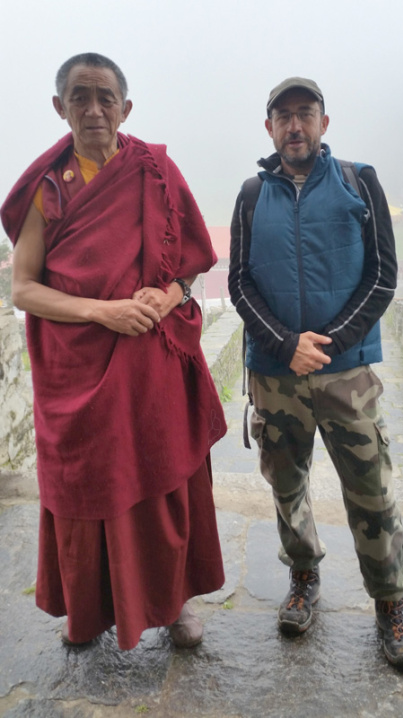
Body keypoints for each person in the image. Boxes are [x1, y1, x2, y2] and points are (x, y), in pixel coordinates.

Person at [1, 53, 227, 651]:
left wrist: (166, 291)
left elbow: (194, 262)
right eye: (80, 97)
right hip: (75, 367)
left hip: (151, 362)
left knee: (164, 482)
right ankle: (90, 610)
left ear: (126, 108)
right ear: (60, 108)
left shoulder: (156, 170)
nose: (94, 109)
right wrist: (104, 311)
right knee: (88, 491)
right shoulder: (47, 189)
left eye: (106, 98)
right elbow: (23, 287)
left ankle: (176, 602)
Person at [229, 77, 403, 667]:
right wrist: (286, 344)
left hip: (348, 377)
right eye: (283, 116)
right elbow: (239, 281)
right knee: (287, 486)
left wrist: (332, 342)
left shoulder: (359, 182)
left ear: (323, 123)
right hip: (275, 375)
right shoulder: (251, 194)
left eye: (305, 114)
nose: (294, 126)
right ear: (269, 128)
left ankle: (390, 603)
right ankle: (303, 577)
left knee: (371, 489)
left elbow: (383, 276)